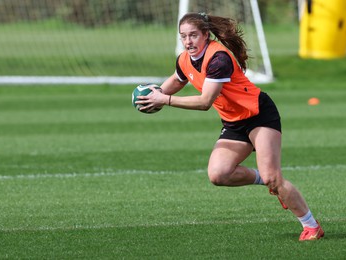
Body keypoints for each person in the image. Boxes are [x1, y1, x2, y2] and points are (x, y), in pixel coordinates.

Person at [135, 12, 324, 241]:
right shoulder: (184, 59)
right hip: (234, 122)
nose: (188, 42)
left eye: (193, 35)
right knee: (219, 174)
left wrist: (164, 100)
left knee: (275, 178)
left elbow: (205, 102)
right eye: (183, 36)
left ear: (206, 34)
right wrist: (156, 94)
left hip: (259, 115)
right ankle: (266, 178)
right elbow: (177, 80)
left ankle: (311, 226)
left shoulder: (218, 59)